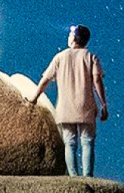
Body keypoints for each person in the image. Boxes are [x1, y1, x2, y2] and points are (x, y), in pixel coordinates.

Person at [28, 24, 108, 177]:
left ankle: (73, 176)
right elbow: (97, 80)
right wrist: (103, 104)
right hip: (86, 106)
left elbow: (45, 80)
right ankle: (88, 176)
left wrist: (34, 98)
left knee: (70, 144)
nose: (68, 36)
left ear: (74, 38)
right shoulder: (91, 57)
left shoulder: (60, 57)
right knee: (87, 142)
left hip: (65, 107)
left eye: (71, 34)